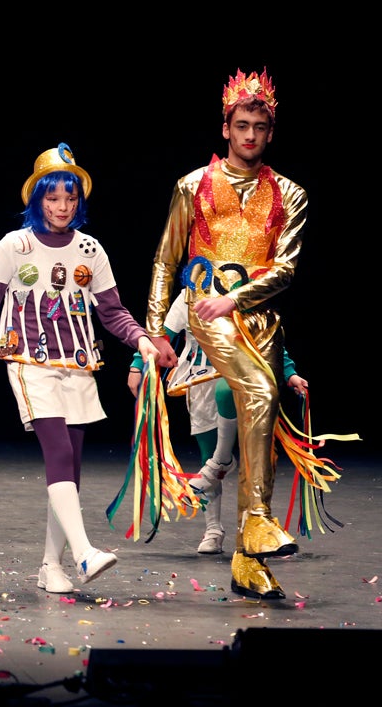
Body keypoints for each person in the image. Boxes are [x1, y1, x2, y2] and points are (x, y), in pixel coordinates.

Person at [0, 143, 176, 595]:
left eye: (71, 198)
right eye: (53, 197)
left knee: (72, 468)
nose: (63, 206)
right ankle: (83, 552)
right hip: (28, 362)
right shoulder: (14, 245)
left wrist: (141, 340)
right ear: (37, 200)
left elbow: (113, 311)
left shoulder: (89, 249)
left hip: (79, 364)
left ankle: (50, 565)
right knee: (58, 453)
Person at [144, 68, 306, 600]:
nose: (250, 136)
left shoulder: (290, 194)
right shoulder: (193, 186)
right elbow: (167, 262)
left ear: (270, 132)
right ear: (225, 129)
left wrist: (238, 299)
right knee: (258, 393)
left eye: (260, 127)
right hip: (208, 315)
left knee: (262, 439)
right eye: (242, 125)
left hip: (260, 323)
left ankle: (248, 562)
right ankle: (256, 520)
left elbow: (286, 268)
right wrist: (153, 333)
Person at [127, 287, 308, 554]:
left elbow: (267, 337)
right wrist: (136, 365)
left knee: (252, 453)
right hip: (199, 378)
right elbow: (162, 333)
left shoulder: (245, 293)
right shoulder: (190, 294)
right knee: (206, 453)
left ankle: (255, 519)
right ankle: (213, 528)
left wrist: (289, 372)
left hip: (242, 376)